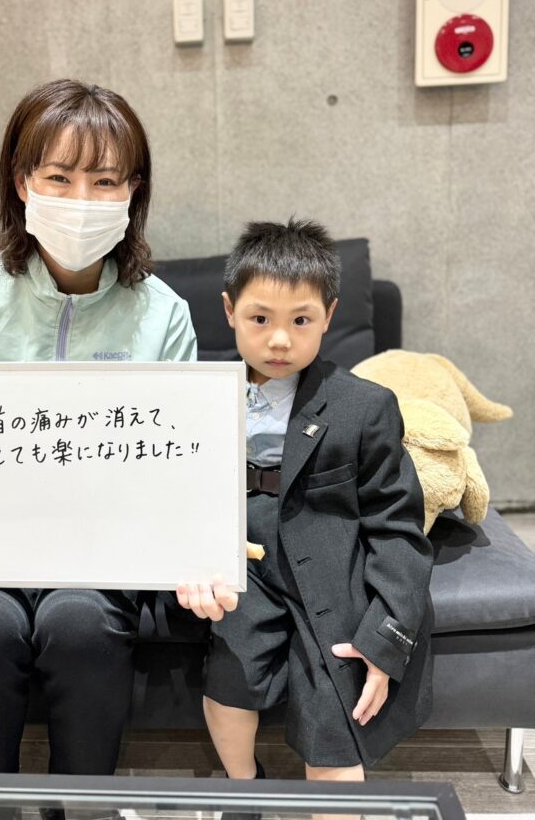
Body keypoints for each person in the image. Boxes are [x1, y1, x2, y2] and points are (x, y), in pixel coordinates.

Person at [0, 79, 224, 798]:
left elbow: (179, 456)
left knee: (80, 625)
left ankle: (85, 808)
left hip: (104, 548)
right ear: (22, 183)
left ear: (133, 192)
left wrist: (193, 544)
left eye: (104, 181)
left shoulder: (162, 314)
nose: (82, 199)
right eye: (59, 178)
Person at [176, 219, 433, 801]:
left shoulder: (364, 406)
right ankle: (244, 792)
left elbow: (398, 525)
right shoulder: (196, 396)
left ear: (329, 315)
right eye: (259, 319)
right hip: (240, 558)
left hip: (328, 561)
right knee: (228, 680)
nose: (279, 341)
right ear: (229, 310)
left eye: (300, 321)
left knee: (335, 702)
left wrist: (388, 634)